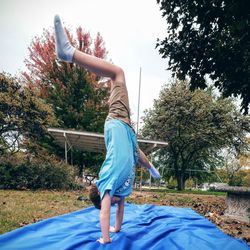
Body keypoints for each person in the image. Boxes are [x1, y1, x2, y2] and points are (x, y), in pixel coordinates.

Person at [54, 15, 161, 244]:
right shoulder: (122, 191)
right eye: (113, 203)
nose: (113, 204)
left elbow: (104, 213)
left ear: (101, 195)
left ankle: (68, 53)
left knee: (117, 73)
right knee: (136, 152)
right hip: (127, 131)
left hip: (116, 122)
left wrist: (105, 239)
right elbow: (135, 155)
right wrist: (116, 228)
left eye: (109, 202)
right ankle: (153, 168)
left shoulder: (107, 185)